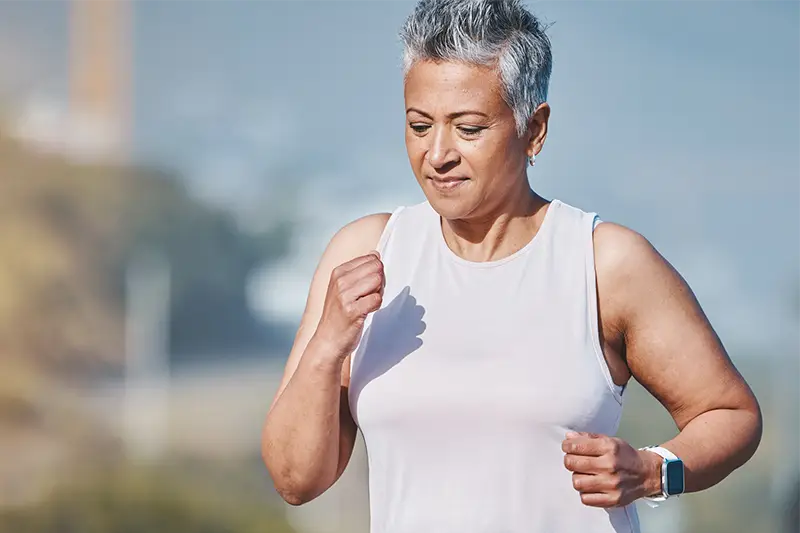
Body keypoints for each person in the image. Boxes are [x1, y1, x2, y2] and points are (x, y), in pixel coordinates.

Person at [261, 1, 763, 531]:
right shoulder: (366, 253)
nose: (437, 153)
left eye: (469, 128)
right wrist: (326, 346)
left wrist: (655, 471)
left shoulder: (604, 263)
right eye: (419, 125)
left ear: (534, 129)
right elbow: (296, 480)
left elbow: (731, 416)